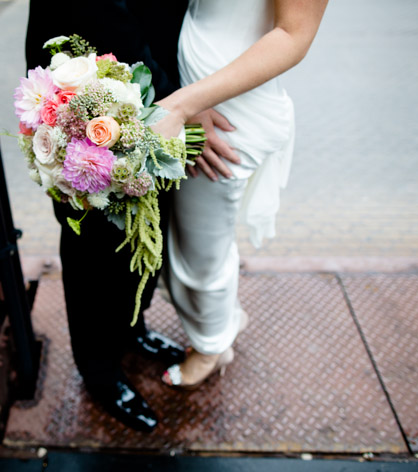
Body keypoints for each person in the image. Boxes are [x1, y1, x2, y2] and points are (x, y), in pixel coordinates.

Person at [24, 0, 189, 432]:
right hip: (87, 98)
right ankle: (98, 370)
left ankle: (131, 328)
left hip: (162, 91)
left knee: (149, 222)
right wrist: (182, 102)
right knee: (93, 246)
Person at [152, 0, 329, 389]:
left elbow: (294, 35)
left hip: (226, 109)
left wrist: (184, 104)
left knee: (200, 248)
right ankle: (224, 319)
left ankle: (213, 347)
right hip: (191, 96)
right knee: (189, 236)